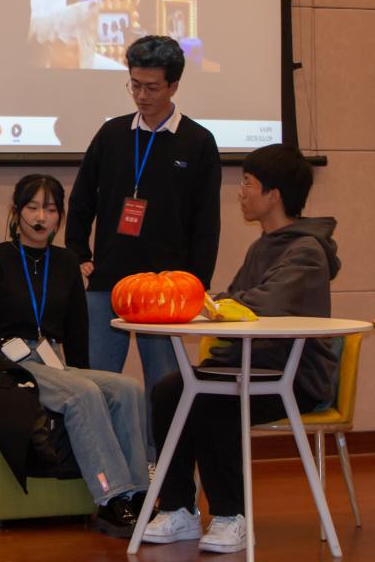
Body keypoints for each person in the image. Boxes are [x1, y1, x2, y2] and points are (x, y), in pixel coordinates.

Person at [142, 144, 341, 553]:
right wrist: (214, 304)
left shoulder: (307, 251)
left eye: (248, 184)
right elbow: (235, 302)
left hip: (292, 377)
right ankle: (179, 508)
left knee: (213, 402)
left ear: (274, 195)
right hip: (247, 367)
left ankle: (232, 515)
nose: (241, 192)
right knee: (169, 391)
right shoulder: (262, 246)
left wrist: (217, 305)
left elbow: (261, 305)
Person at [0, 174, 149, 538]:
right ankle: (111, 498)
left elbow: (77, 332)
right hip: (12, 363)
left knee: (127, 387)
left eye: (51, 209)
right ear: (16, 212)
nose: (41, 217)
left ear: (60, 217)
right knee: (82, 394)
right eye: (32, 207)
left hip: (57, 362)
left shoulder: (66, 262)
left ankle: (140, 494)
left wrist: (84, 373)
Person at [65, 35, 222, 450]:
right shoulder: (112, 133)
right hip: (109, 279)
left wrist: (197, 283)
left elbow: (206, 222)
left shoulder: (198, 142)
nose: (141, 96)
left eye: (151, 87)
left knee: (164, 386)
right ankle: (105, 469)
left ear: (173, 86)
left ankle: (161, 469)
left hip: (167, 290)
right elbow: (81, 199)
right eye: (134, 85)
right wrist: (78, 253)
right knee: (97, 381)